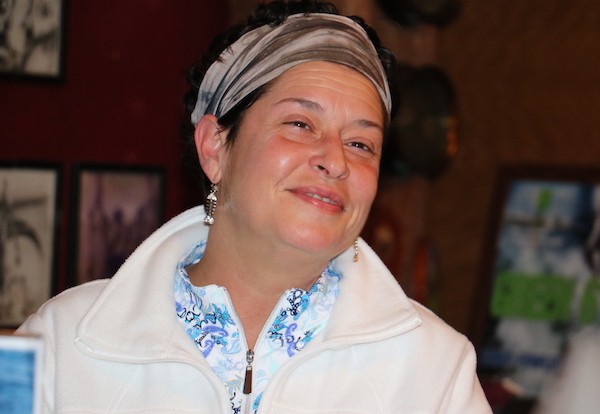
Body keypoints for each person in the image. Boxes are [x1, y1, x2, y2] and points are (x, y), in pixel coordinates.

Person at [17, 1, 491, 412]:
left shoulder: (434, 370)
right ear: (215, 147)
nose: (335, 161)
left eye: (361, 144)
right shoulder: (62, 344)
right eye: (300, 124)